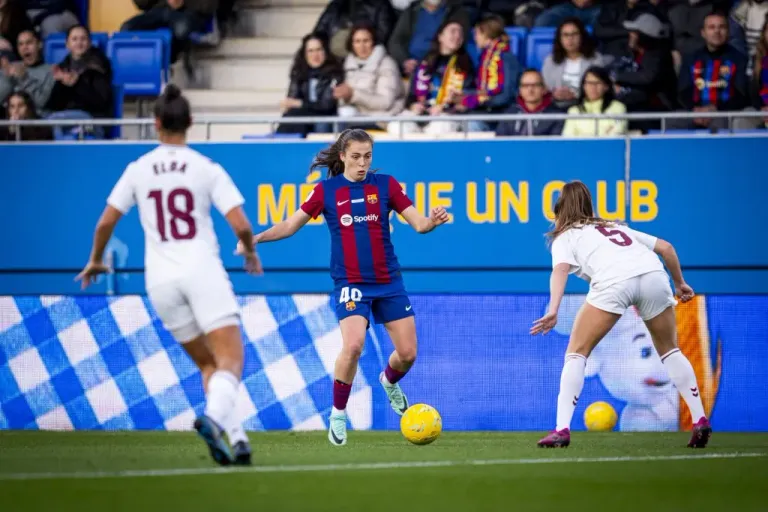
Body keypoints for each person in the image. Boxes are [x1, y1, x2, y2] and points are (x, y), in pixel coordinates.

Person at [75, 84, 263, 466]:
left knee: (209, 365)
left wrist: (95, 259)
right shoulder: (205, 168)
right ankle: (213, 420)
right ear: (190, 122)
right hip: (201, 270)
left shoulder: (138, 169)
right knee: (231, 360)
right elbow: (242, 225)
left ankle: (238, 440)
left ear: (156, 123)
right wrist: (250, 251)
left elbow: (105, 222)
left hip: (159, 281)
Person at [236, 128, 449, 446]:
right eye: (356, 157)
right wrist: (255, 239)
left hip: (389, 281)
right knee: (353, 346)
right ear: (343, 156)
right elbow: (290, 225)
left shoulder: (386, 185)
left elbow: (419, 224)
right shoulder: (326, 191)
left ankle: (389, 381)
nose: (362, 163)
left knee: (407, 354)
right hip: (350, 283)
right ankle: (338, 413)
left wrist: (433, 220)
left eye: (368, 157)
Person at [530, 181, 712, 449]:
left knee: (576, 353)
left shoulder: (565, 236)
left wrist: (554, 309)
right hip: (653, 275)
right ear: (589, 207)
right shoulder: (615, 227)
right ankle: (700, 419)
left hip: (614, 281)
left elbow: (560, 270)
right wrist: (680, 283)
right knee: (670, 351)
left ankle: (561, 430)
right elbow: (666, 248)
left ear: (559, 211)